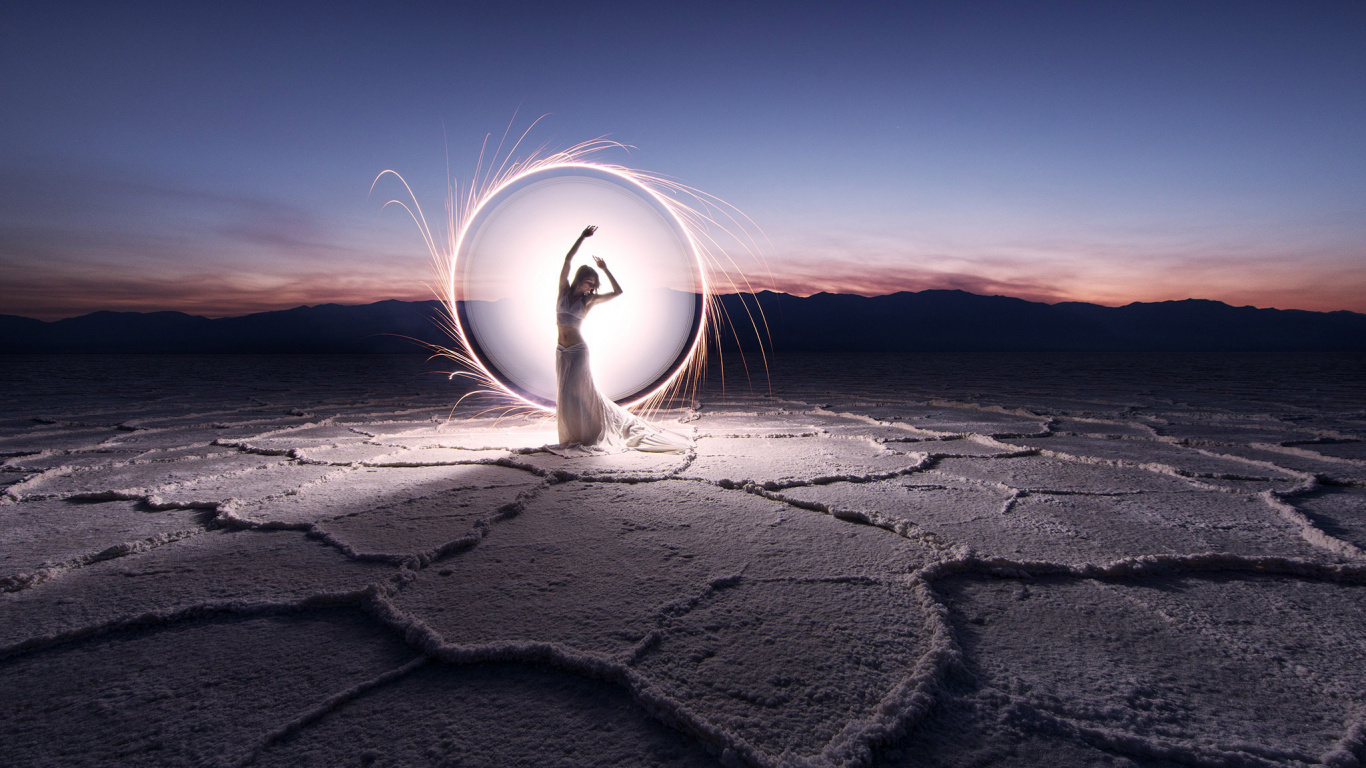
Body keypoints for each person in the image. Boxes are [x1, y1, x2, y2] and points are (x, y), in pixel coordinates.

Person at [554, 225, 689, 453]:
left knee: (580, 392)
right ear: (579, 278)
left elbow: (618, 292)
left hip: (577, 351)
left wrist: (605, 269)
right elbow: (567, 259)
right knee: (565, 394)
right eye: (588, 281)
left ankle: (588, 433)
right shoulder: (563, 291)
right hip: (560, 351)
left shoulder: (588, 301)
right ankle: (571, 434)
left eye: (593, 284)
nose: (590, 286)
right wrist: (581, 237)